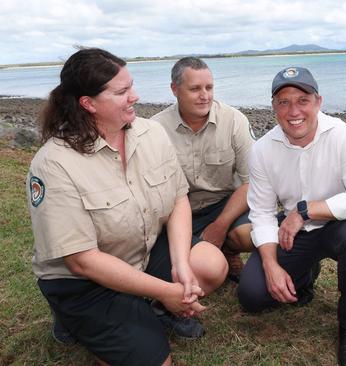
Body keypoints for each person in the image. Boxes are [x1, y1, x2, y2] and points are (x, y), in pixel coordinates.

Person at [28, 48, 227, 366]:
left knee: (210, 265)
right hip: (84, 283)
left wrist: (181, 267)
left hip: (141, 252)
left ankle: (146, 306)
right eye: (122, 92)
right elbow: (82, 262)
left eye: (131, 86)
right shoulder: (53, 164)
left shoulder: (151, 133)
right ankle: (77, 319)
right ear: (88, 103)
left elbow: (177, 199)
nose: (135, 96)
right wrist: (166, 290)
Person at [237, 66, 346, 366]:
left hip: (340, 226)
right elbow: (262, 213)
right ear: (274, 108)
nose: (294, 111)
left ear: (318, 102)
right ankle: (304, 277)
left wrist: (305, 210)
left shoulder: (343, 135)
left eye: (302, 100)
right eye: (283, 102)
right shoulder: (263, 150)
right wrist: (270, 264)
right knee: (252, 296)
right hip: (296, 234)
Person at [151, 57, 254, 282]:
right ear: (174, 89)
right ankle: (207, 252)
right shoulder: (155, 128)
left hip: (225, 205)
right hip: (178, 211)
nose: (205, 96)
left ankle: (228, 249)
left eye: (209, 87)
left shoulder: (234, 121)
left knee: (250, 236)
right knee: (199, 268)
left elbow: (251, 182)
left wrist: (220, 225)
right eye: (195, 89)